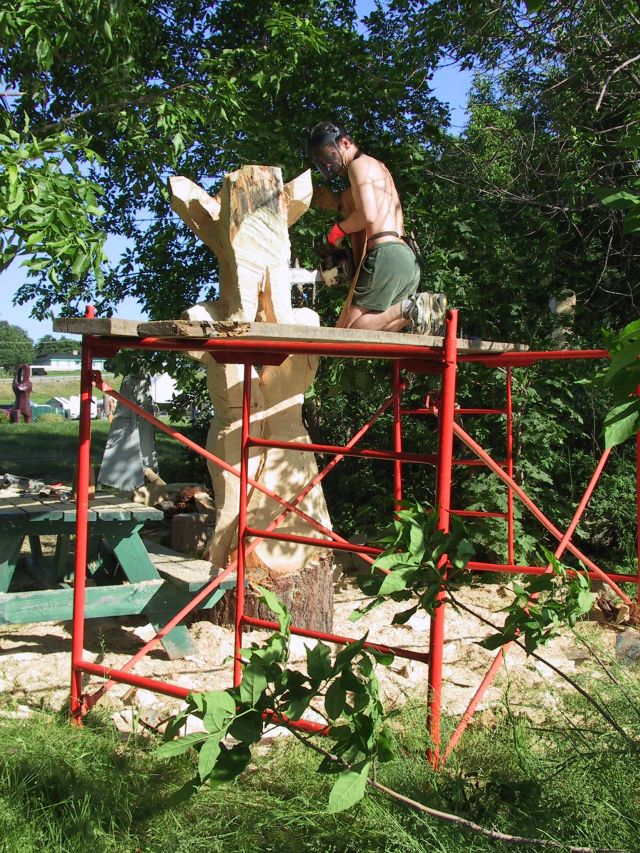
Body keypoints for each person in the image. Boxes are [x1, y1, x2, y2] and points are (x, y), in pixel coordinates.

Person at [305, 121, 447, 334]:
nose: (328, 163)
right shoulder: (377, 167)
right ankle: (417, 309)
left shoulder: (357, 165)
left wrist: (337, 231)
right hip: (407, 258)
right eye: (323, 158)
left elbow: (367, 215)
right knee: (377, 333)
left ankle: (411, 307)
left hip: (386, 253)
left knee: (348, 332)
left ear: (344, 142)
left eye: (330, 154)